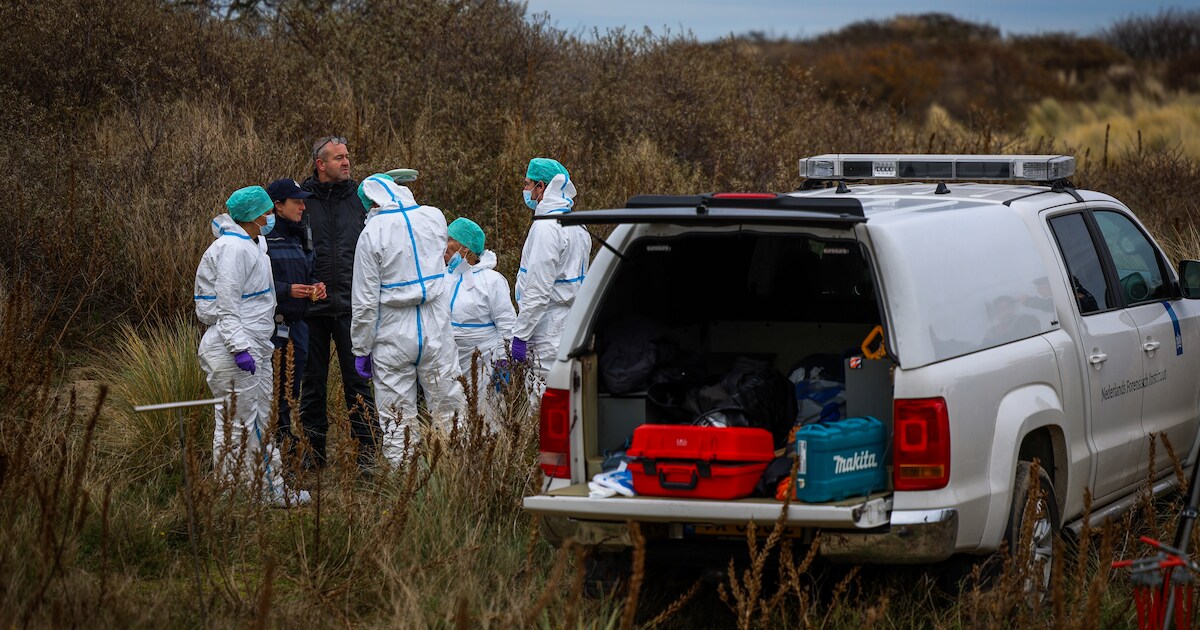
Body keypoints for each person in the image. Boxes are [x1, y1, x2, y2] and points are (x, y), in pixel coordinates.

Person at [194, 186, 307, 506]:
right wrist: (239, 348)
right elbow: (227, 306)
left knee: (236, 423)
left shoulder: (251, 244)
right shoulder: (233, 249)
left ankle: (234, 491)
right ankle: (269, 491)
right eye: (267, 211)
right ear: (256, 216)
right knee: (250, 422)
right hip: (236, 348)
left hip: (250, 344)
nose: (271, 216)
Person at [350, 174, 466, 464]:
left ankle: (405, 480)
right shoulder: (433, 216)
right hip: (435, 322)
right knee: (448, 404)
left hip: (392, 329)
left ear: (373, 202)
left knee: (396, 415)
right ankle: (456, 473)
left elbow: (364, 301)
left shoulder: (371, 233)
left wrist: (361, 348)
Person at [299, 136, 378, 472]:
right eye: (339, 158)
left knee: (358, 382)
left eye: (348, 156)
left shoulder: (362, 200)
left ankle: (367, 456)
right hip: (311, 311)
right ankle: (313, 454)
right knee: (311, 383)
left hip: (351, 308)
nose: (346, 163)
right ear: (321, 164)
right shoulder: (301, 203)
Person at [264, 178, 326, 464]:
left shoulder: (303, 233)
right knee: (272, 389)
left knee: (292, 390)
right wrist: (286, 290)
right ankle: (272, 449)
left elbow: (310, 270)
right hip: (271, 326)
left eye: (304, 200)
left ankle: (286, 446)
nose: (303, 206)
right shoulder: (262, 237)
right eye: (296, 201)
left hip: (299, 325)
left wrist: (316, 286)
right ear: (277, 206)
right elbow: (254, 284)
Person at [513, 158, 591, 379]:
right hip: (571, 323)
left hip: (546, 328)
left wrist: (521, 334)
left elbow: (538, 290)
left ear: (541, 187)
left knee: (543, 401)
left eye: (528, 184)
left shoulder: (546, 228)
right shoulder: (577, 225)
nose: (525, 189)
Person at [443, 217, 517, 422]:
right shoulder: (445, 277)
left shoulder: (491, 281)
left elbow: (507, 323)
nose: (443, 244)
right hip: (450, 361)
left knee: (487, 416)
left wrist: (504, 362)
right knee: (454, 416)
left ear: (464, 248)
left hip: (485, 362)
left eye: (449, 239)